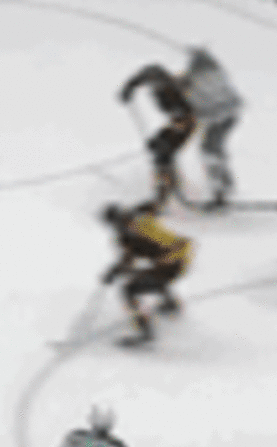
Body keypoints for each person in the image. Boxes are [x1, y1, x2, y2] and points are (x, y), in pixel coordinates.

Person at [100, 200, 193, 347]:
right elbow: (128, 258)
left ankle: (146, 333)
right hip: (161, 266)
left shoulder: (145, 226)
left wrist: (167, 259)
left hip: (176, 264)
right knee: (149, 278)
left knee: (130, 290)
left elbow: (184, 244)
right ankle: (170, 305)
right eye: (115, 225)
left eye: (122, 221)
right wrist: (115, 270)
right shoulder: (124, 237)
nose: (120, 226)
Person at [118, 61, 197, 208]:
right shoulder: (161, 82)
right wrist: (129, 87)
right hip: (176, 122)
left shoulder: (176, 95)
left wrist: (164, 139)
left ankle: (165, 192)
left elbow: (184, 120)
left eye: (156, 83)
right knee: (159, 152)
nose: (153, 86)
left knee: (164, 153)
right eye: (152, 83)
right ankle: (166, 187)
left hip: (186, 124)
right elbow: (145, 74)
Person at [179, 48, 243, 207]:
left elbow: (197, 104)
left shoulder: (196, 79)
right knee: (214, 148)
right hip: (231, 114)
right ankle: (224, 183)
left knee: (209, 150)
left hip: (219, 116)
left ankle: (220, 189)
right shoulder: (218, 73)